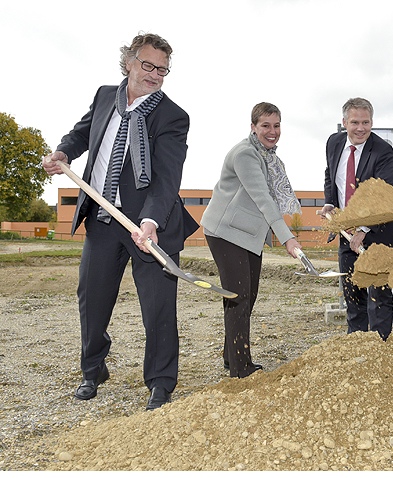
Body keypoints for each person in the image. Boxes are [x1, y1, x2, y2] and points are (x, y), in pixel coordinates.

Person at [41, 33, 198, 410]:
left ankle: (161, 383)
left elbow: (167, 177)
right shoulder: (103, 96)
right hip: (102, 218)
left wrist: (150, 221)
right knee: (91, 299)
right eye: (148, 65)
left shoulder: (173, 116)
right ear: (128, 62)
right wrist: (64, 150)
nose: (155, 74)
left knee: (159, 308)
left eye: (163, 69)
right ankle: (93, 369)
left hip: (149, 226)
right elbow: (82, 134)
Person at [201, 102, 303, 378]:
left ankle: (230, 354)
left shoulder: (268, 156)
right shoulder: (246, 154)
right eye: (265, 126)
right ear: (253, 127)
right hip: (225, 232)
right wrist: (288, 239)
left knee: (249, 295)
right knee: (238, 296)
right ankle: (240, 367)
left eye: (277, 125)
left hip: (247, 234)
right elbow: (264, 199)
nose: (272, 132)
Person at [319, 98, 393, 341]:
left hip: (381, 232)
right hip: (347, 230)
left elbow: (383, 193)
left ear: (372, 122)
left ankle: (379, 347)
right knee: (352, 290)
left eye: (366, 122)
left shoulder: (382, 151)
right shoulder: (334, 142)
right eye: (355, 122)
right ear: (344, 122)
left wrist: (364, 229)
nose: (361, 128)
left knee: (378, 293)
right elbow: (330, 175)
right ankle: (356, 343)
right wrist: (331, 203)